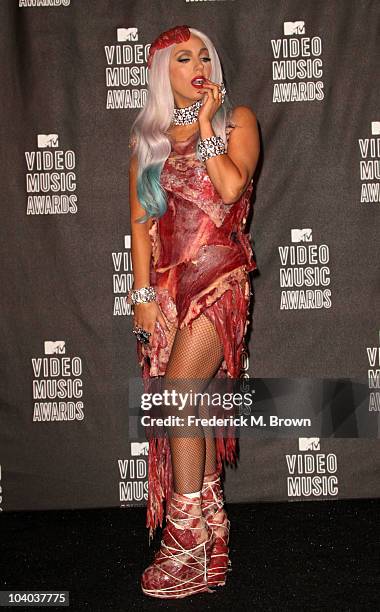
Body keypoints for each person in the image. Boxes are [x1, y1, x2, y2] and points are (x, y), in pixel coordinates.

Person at [127, 25, 260, 599]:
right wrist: (142, 298)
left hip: (222, 280)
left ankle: (185, 541)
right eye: (184, 57)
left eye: (204, 54)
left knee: (182, 390)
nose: (197, 63)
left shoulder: (238, 122)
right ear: (164, 73)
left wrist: (206, 127)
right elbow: (139, 227)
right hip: (170, 291)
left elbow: (230, 189)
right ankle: (213, 536)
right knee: (195, 406)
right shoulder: (149, 142)